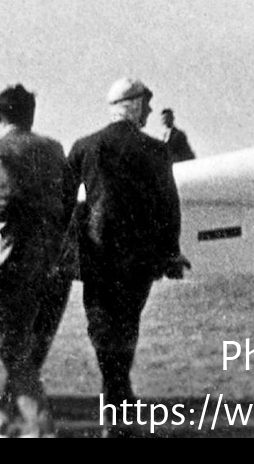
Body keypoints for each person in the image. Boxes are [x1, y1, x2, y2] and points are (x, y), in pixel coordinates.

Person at [69, 77, 190, 425]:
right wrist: (171, 253)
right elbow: (169, 206)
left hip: (97, 257)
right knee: (126, 329)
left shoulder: (85, 146)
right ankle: (120, 406)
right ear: (134, 104)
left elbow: (62, 200)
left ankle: (117, 405)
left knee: (103, 331)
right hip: (138, 261)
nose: (151, 111)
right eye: (147, 104)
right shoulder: (155, 150)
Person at [0, 84, 76, 438]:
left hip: (19, 263)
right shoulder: (53, 148)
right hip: (59, 263)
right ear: (31, 114)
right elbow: (65, 199)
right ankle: (6, 423)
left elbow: (2, 203)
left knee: (13, 351)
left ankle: (39, 429)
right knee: (32, 354)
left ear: (0, 115)